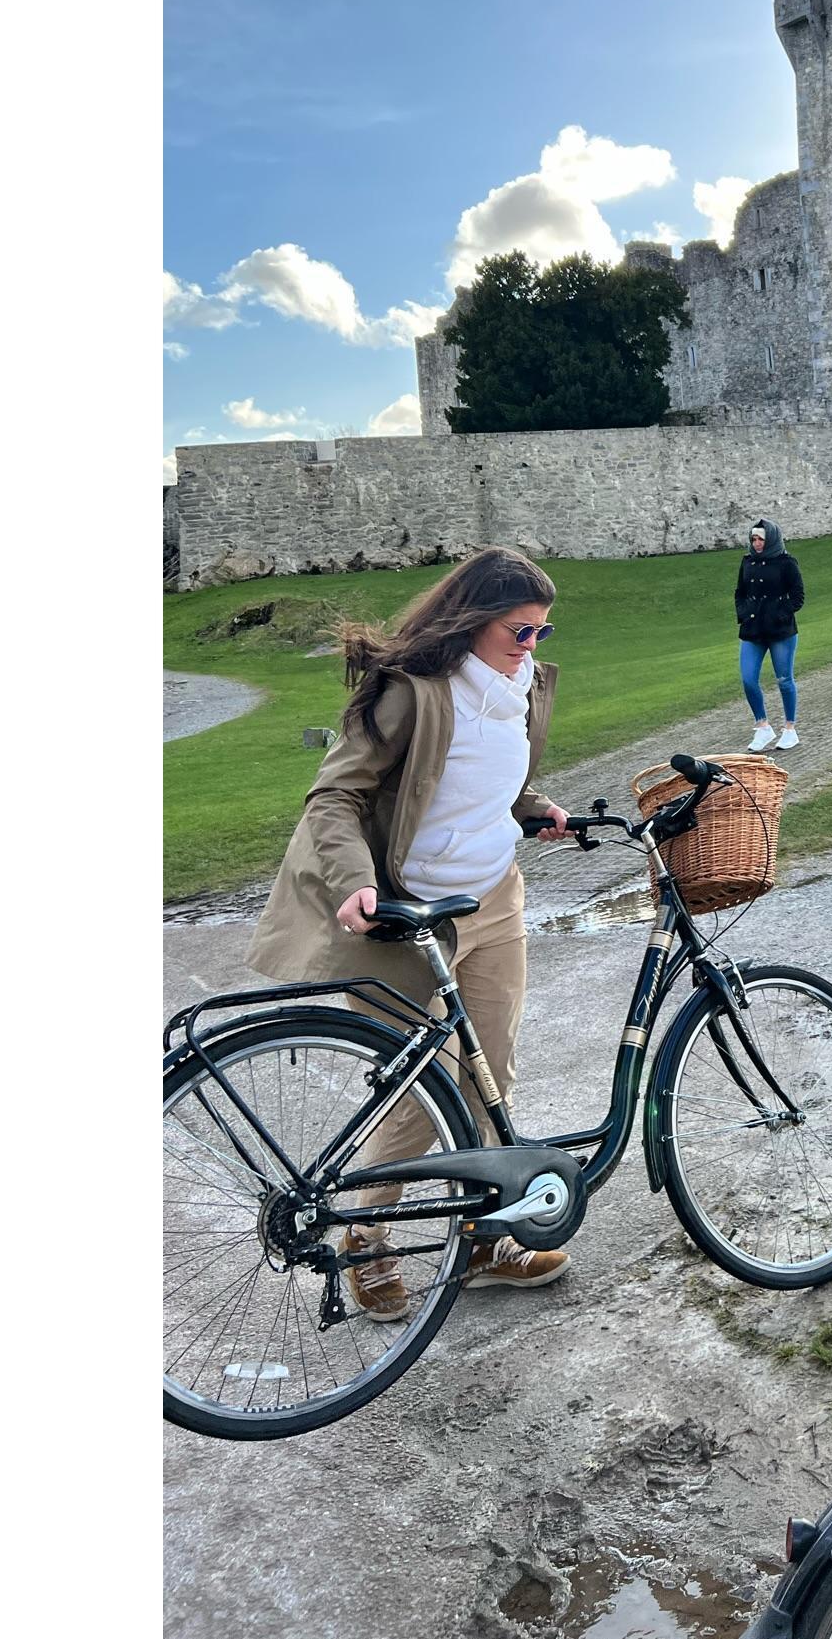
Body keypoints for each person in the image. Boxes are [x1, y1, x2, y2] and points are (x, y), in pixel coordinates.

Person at [245, 546, 574, 1319]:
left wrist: (533, 808)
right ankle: (366, 1237)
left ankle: (487, 1232)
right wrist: (356, 880)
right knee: (419, 1095)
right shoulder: (415, 692)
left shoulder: (520, 687)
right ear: (471, 624)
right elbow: (333, 797)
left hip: (494, 897)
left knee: (490, 1074)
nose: (531, 646)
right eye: (518, 631)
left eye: (541, 632)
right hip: (408, 915)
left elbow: (489, 780)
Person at [735, 517, 804, 751]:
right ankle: (763, 727)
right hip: (753, 629)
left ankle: (790, 729)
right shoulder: (747, 562)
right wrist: (743, 614)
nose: (756, 543)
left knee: (784, 679)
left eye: (760, 539)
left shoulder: (786, 562)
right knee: (748, 678)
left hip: (780, 630)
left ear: (771, 539)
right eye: (753, 539)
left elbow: (797, 596)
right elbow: (740, 593)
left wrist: (780, 614)